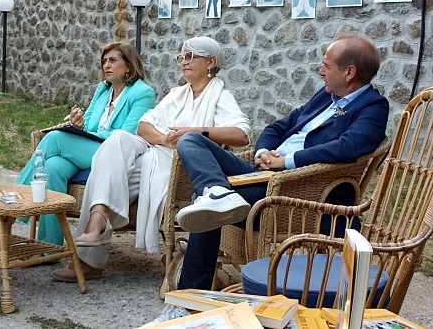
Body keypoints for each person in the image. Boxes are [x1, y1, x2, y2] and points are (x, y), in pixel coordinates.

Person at [145, 34, 390, 325]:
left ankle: (186, 303)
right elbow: (278, 127)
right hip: (262, 173)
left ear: (349, 72)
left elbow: (348, 147)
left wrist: (284, 161)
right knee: (191, 140)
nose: (320, 71)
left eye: (326, 65)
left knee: (204, 206)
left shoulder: (373, 107)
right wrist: (262, 151)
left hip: (293, 191)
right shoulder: (325, 95)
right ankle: (218, 191)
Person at [52, 36, 252, 283]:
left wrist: (195, 132)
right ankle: (97, 219)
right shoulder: (177, 94)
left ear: (210, 62)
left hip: (179, 169)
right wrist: (164, 138)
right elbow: (143, 125)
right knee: (117, 141)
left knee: (106, 175)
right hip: (153, 152)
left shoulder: (220, 96)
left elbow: (241, 134)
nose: (183, 62)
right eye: (181, 57)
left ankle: (88, 258)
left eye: (190, 57)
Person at [0, 42, 156, 250]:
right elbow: (90, 124)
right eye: (104, 61)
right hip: (91, 149)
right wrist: (79, 123)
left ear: (128, 65)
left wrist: (85, 134)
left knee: (55, 138)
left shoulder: (142, 93)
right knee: (53, 167)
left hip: (115, 155)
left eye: (113, 60)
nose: (106, 66)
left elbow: (127, 134)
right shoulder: (103, 90)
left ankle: (11, 204)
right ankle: (49, 248)